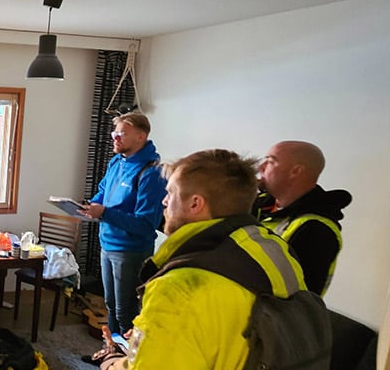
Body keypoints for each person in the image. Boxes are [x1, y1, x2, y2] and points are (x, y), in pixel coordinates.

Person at [91, 149, 312, 369]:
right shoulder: (276, 251)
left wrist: (112, 362)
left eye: (171, 193)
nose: (164, 202)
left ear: (195, 204)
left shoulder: (179, 288)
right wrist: (155, 336)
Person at [79, 112, 166, 335]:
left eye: (122, 134)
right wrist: (92, 206)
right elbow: (102, 191)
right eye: (114, 133)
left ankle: (128, 353)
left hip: (130, 251)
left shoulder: (151, 173)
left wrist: (105, 213)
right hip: (107, 243)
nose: (115, 138)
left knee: (125, 311)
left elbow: (145, 224)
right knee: (110, 305)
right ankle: (112, 350)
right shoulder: (116, 162)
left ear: (141, 137)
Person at [254, 140, 351, 295]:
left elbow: (296, 298)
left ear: (295, 171)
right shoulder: (258, 204)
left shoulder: (316, 230)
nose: (260, 167)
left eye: (270, 161)